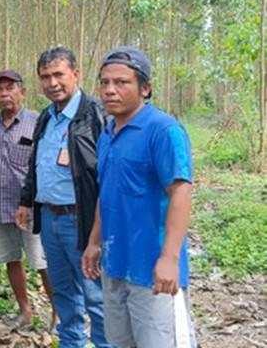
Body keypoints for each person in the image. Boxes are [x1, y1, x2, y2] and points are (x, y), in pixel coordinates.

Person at [82, 46, 196, 348]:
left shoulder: (163, 130)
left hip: (153, 271)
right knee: (121, 342)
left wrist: (170, 258)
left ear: (145, 88)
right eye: (104, 82)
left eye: (121, 82)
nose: (110, 90)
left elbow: (181, 191)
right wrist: (95, 241)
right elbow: (107, 191)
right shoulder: (107, 133)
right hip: (115, 263)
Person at [14, 47, 111, 347]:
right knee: (64, 294)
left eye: (59, 74)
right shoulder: (45, 117)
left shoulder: (96, 115)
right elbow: (36, 163)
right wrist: (26, 200)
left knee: (96, 296)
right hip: (48, 219)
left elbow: (107, 174)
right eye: (45, 77)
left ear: (76, 74)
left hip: (81, 220)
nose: (52, 82)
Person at [0, 69, 55, 329]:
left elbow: (45, 165)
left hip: (30, 208)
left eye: (10, 88)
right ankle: (25, 311)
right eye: (0, 90)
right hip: (0, 205)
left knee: (42, 262)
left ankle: (58, 314)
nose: (5, 94)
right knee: (11, 259)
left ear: (22, 92)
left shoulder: (37, 122)